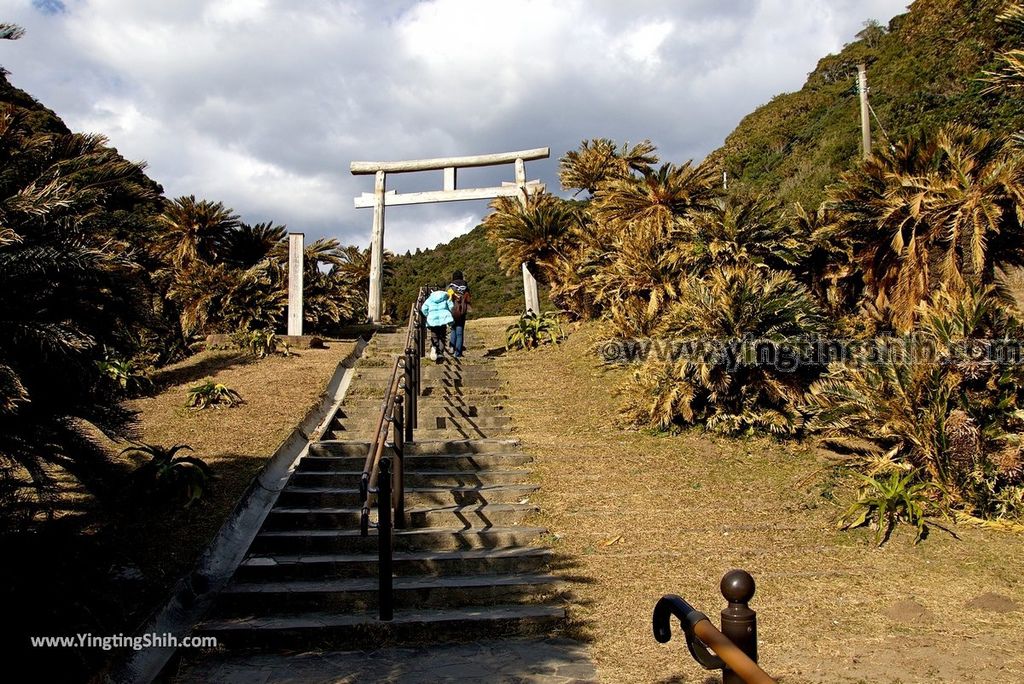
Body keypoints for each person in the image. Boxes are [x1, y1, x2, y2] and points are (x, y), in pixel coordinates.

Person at [421, 286, 454, 363]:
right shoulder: (446, 298)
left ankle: (434, 347)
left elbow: (423, 309)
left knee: (434, 335)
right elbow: (451, 307)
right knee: (442, 337)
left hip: (433, 320)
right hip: (443, 320)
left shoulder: (430, 299)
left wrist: (427, 315)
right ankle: (440, 353)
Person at [446, 270, 471, 358]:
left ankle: (452, 347)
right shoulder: (466, 286)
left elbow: (446, 298)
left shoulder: (450, 286)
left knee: (453, 329)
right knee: (460, 332)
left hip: (452, 310)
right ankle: (458, 353)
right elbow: (468, 299)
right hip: (462, 311)